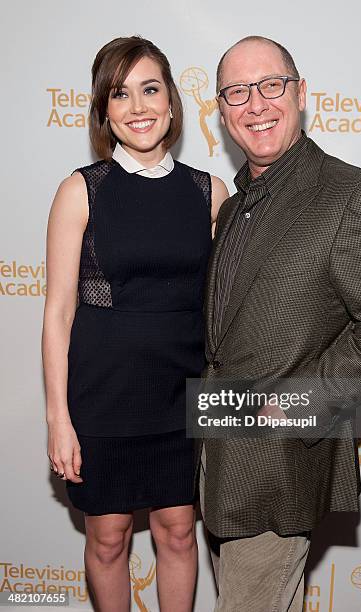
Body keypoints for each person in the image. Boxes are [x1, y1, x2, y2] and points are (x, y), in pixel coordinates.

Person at [197, 35, 361, 612]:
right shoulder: (233, 205)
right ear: (222, 111)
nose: (256, 104)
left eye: (270, 86)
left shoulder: (353, 196)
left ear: (300, 94)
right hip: (219, 464)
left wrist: (299, 403)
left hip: (280, 461)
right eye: (237, 93)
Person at [41, 35, 228, 612]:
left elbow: (223, 308)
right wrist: (58, 418)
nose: (138, 107)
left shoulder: (210, 193)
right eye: (119, 95)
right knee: (109, 538)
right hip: (103, 396)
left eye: (150, 89)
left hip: (183, 394)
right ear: (103, 112)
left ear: (172, 102)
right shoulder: (81, 190)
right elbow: (59, 313)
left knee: (177, 531)